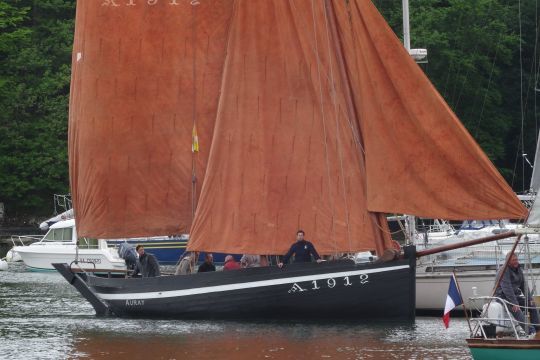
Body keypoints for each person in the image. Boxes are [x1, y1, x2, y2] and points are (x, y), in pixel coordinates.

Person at [494, 253, 539, 335]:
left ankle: (538, 329)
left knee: (532, 305)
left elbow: (524, 285)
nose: (516, 262)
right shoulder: (503, 270)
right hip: (503, 297)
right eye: (514, 260)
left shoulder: (518, 269)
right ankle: (531, 332)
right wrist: (514, 303)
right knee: (517, 310)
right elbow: (507, 288)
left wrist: (530, 299)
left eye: (516, 259)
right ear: (508, 261)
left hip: (514, 296)